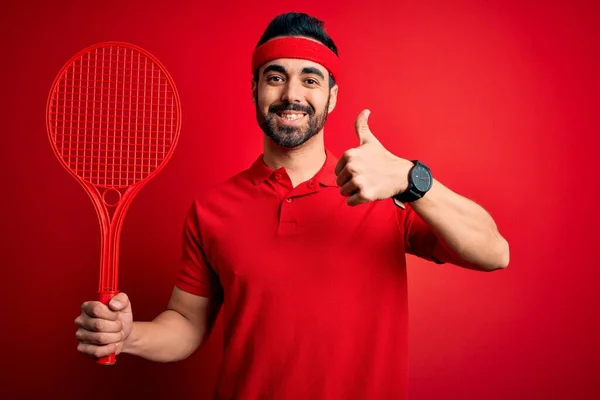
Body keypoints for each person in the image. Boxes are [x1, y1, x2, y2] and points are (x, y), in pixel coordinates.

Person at [74, 12, 509, 400]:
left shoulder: (385, 187)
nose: (292, 94)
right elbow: (187, 323)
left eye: (311, 79)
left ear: (332, 97)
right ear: (256, 89)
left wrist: (412, 180)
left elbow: (494, 253)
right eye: (276, 76)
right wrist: (129, 336)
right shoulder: (212, 209)